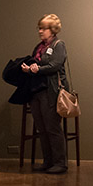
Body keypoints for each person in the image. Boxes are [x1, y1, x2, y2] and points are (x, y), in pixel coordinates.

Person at [21, 14, 70, 174]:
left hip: (51, 92)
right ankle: (48, 161)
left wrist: (38, 69)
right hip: (37, 91)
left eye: (44, 28)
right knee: (41, 128)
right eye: (39, 28)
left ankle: (60, 163)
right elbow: (35, 63)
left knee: (52, 127)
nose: (40, 31)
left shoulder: (58, 45)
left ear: (53, 29)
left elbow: (55, 65)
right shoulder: (39, 46)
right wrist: (28, 69)